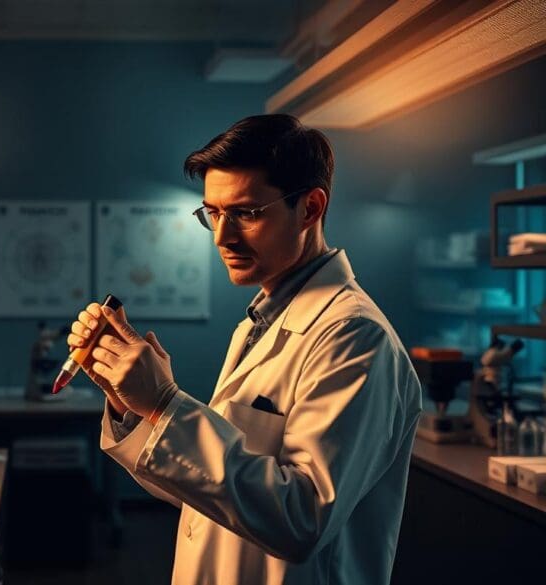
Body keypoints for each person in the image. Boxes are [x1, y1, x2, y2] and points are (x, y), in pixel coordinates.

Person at [67, 114, 422, 585]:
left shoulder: (355, 337)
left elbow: (301, 520)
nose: (222, 237)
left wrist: (165, 404)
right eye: (212, 213)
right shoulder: (261, 321)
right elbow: (208, 486)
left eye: (247, 213)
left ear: (311, 208)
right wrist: (134, 405)